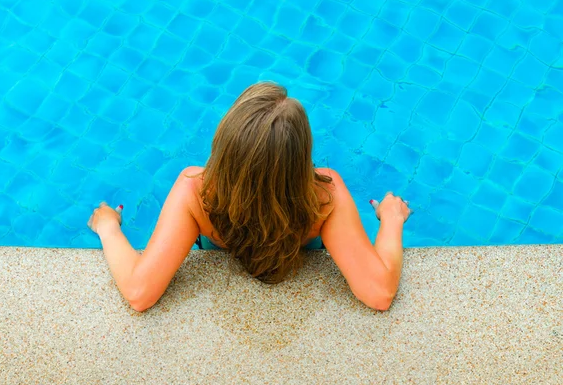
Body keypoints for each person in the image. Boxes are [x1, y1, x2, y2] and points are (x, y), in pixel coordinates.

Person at [87, 82, 411, 312]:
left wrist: (108, 228)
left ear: (225, 145)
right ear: (301, 157)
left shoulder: (196, 191)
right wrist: (392, 220)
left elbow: (139, 292)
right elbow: (379, 292)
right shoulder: (324, 196)